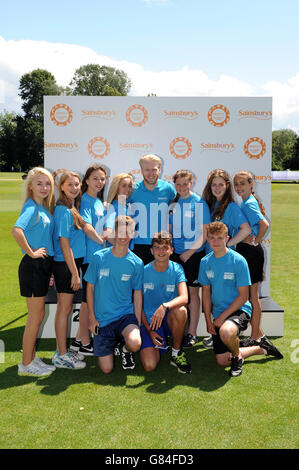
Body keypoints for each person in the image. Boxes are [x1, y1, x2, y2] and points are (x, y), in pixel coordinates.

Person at [198, 222, 283, 378]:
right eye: (211, 238)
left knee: (226, 331)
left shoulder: (238, 261)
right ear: (207, 239)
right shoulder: (205, 262)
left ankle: (237, 357)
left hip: (240, 309)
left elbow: (244, 296)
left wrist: (223, 317)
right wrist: (208, 320)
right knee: (222, 361)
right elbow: (205, 292)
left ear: (227, 238)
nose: (215, 242)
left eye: (219, 238)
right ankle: (261, 348)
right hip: (218, 314)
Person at [51, 171, 104, 370]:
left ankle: (63, 351)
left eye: (76, 184)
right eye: (70, 185)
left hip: (71, 264)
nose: (74, 188)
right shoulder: (63, 210)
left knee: (64, 310)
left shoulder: (71, 207)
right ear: (61, 187)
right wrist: (74, 272)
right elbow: (64, 245)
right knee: (63, 311)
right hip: (65, 265)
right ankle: (61, 355)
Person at [85, 215, 144, 374]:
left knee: (135, 343)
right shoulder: (99, 257)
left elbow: (138, 294)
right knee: (106, 369)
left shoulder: (137, 263)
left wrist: (137, 323)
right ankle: (114, 344)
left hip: (125, 316)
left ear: (133, 234)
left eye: (128, 232)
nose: (124, 236)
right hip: (102, 320)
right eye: (120, 232)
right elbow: (89, 288)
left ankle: (125, 349)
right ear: (114, 233)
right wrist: (91, 318)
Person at [12, 167, 56, 376]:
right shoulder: (31, 207)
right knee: (35, 317)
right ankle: (25, 365)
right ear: (30, 186)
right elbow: (16, 230)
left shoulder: (42, 207)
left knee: (37, 316)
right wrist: (31, 253)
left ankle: (30, 358)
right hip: (32, 267)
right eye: (39, 183)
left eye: (47, 184)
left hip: (42, 267)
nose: (44, 187)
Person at [201, 169, 251, 349]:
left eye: (221, 184)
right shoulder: (211, 204)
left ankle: (230, 330)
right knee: (214, 295)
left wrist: (229, 245)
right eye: (214, 184)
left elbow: (246, 229)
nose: (217, 188)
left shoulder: (231, 207)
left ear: (227, 186)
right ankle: (215, 331)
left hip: (224, 259)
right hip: (211, 259)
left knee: (226, 295)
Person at [168, 170, 211, 348]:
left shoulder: (199, 203)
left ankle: (192, 333)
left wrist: (190, 252)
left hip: (194, 256)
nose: (182, 187)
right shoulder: (173, 204)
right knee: (178, 294)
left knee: (193, 294)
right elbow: (169, 230)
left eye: (185, 183)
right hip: (176, 256)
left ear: (191, 183)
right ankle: (178, 331)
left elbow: (205, 233)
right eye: (178, 184)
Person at [140, 231, 191, 374]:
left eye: (165, 247)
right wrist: (149, 331)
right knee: (150, 366)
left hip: (169, 318)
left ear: (171, 250)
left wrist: (164, 306)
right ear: (151, 250)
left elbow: (184, 297)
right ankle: (147, 343)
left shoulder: (177, 269)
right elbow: (138, 306)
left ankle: (176, 353)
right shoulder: (143, 271)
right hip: (150, 322)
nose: (161, 251)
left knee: (181, 311)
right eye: (157, 247)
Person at [70, 164, 107, 357]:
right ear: (86, 181)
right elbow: (86, 226)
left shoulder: (98, 201)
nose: (100, 182)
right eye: (95, 179)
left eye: (102, 179)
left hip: (98, 256)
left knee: (88, 300)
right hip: (89, 257)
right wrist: (101, 240)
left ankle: (79, 339)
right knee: (86, 301)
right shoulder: (85, 199)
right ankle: (84, 342)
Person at [233, 170, 270, 345]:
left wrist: (256, 241)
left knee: (253, 297)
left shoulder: (249, 203)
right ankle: (257, 335)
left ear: (251, 184)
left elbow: (264, 224)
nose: (239, 187)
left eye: (243, 183)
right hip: (246, 252)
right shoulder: (247, 201)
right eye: (236, 184)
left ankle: (255, 337)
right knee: (250, 296)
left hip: (251, 253)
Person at [130, 154, 176, 265]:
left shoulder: (168, 189)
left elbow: (176, 207)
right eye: (147, 170)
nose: (151, 174)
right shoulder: (133, 190)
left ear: (160, 169)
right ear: (141, 170)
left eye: (154, 170)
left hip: (162, 244)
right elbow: (120, 209)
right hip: (139, 244)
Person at [104, 173, 134, 250]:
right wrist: (121, 248)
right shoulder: (113, 207)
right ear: (116, 188)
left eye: (130, 186)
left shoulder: (127, 207)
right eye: (124, 186)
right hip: (116, 256)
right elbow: (108, 233)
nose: (128, 189)